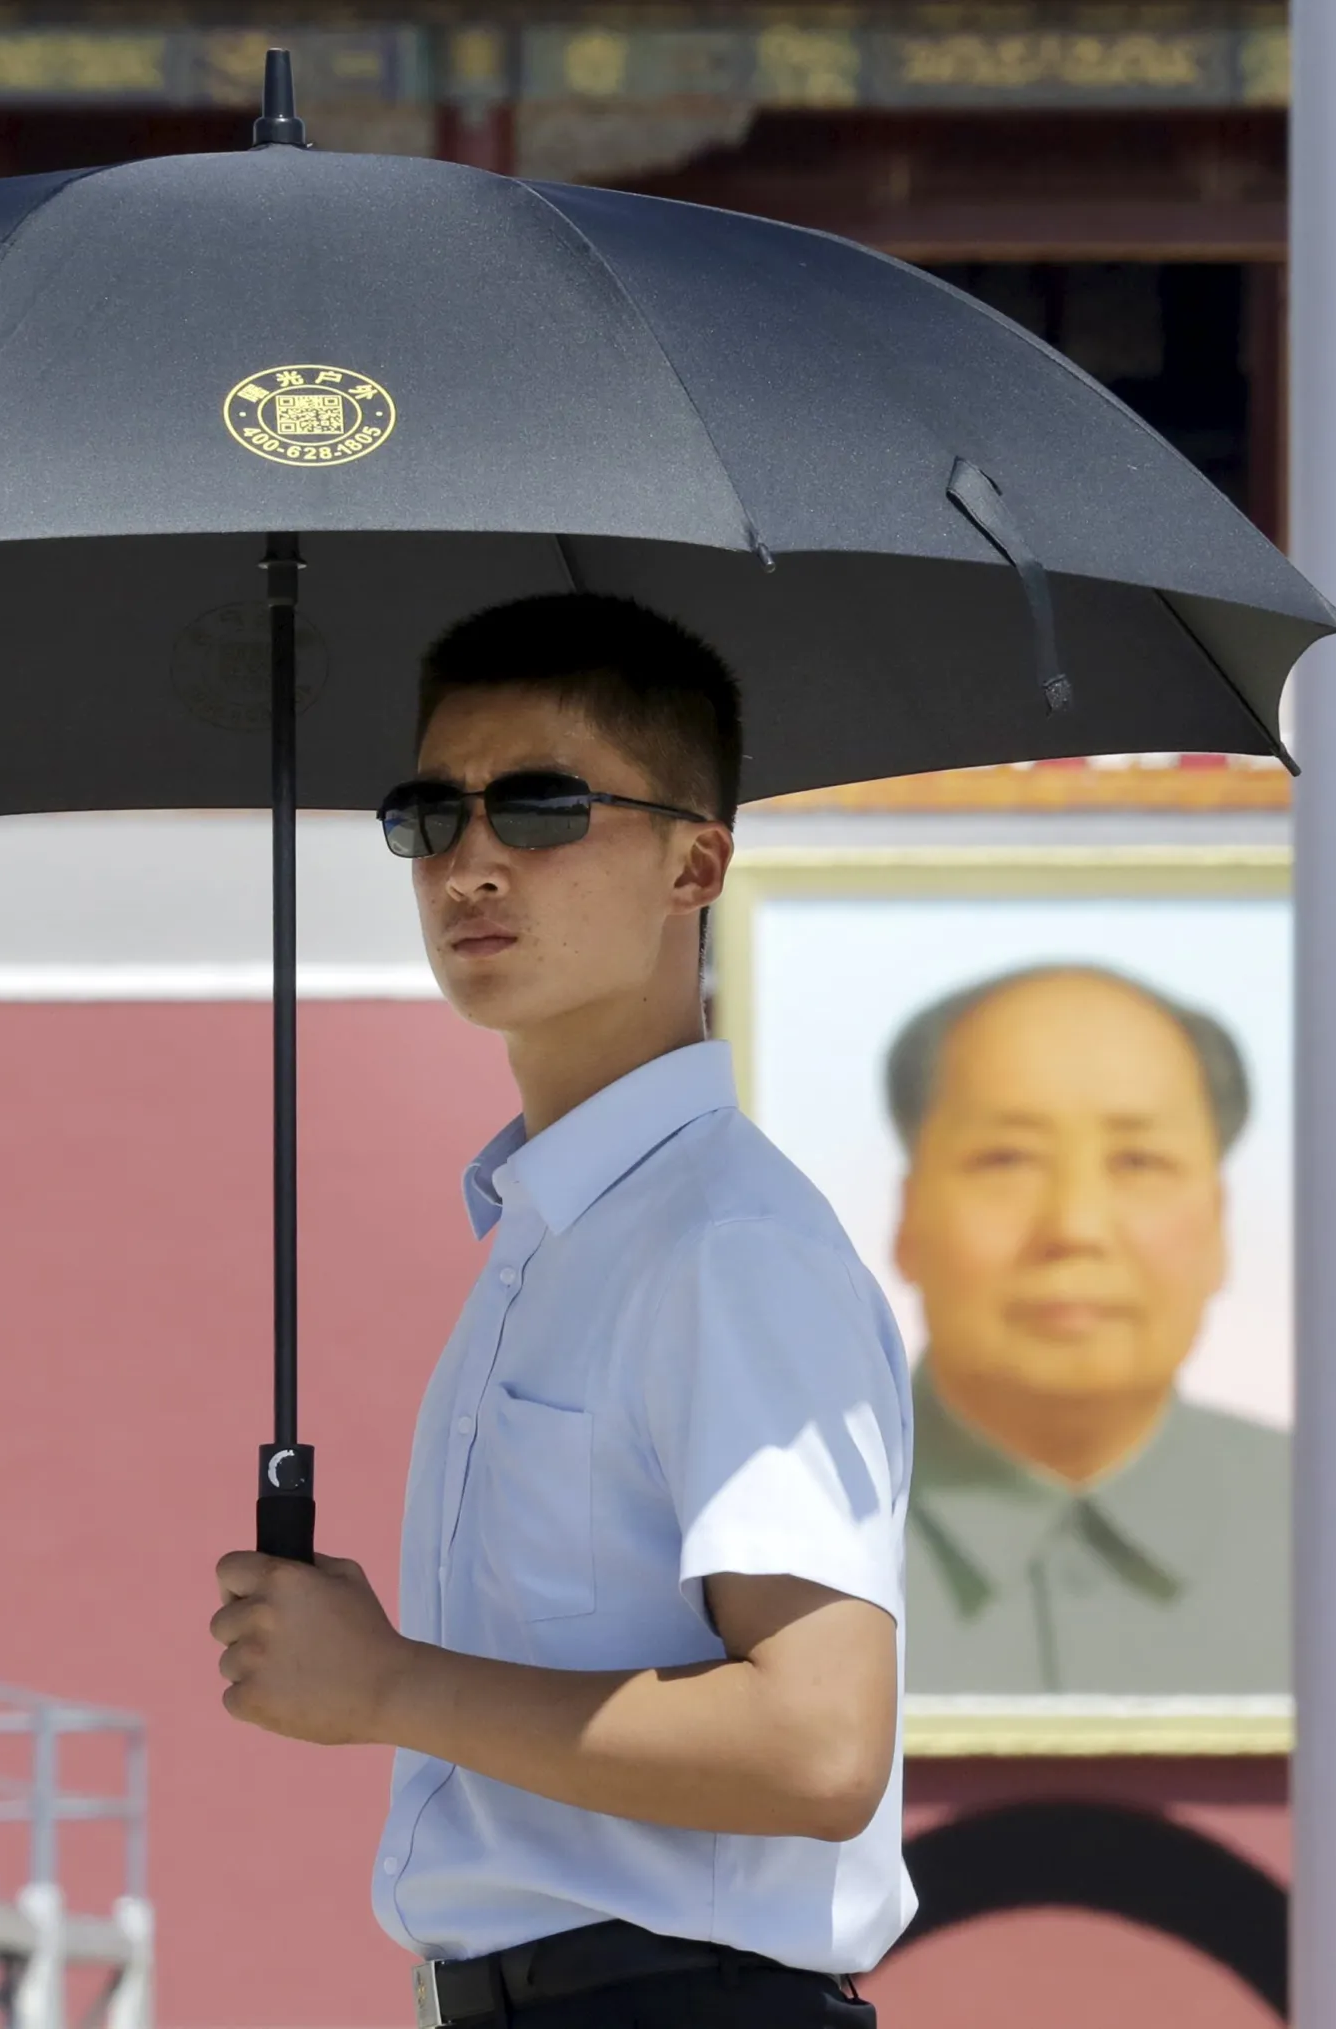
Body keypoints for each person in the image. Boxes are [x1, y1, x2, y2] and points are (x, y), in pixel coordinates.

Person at [209, 593, 916, 2028]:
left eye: (540, 807)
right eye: (428, 815)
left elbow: (820, 1741)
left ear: (695, 862)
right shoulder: (559, 1235)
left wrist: (386, 1684)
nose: (469, 863)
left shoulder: (726, 1244)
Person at [884, 965, 1288, 1695]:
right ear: (908, 1218)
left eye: (1139, 1161)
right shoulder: (779, 1528)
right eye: (1007, 1159)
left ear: (1220, 1224)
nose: (1075, 1227)